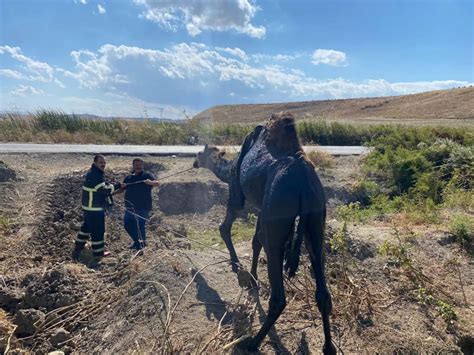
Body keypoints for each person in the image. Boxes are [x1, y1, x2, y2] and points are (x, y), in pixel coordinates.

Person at [72, 154, 123, 262]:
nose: (103, 164)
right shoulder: (95, 174)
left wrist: (111, 185)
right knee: (98, 230)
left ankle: (78, 247)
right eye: (100, 162)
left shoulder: (95, 172)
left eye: (104, 162)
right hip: (94, 208)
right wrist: (117, 186)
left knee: (86, 227)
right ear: (95, 163)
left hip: (89, 207)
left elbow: (101, 186)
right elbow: (103, 190)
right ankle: (98, 253)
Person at [117, 158, 159, 250]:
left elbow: (157, 183)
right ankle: (137, 242)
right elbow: (121, 190)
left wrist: (150, 182)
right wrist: (111, 193)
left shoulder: (147, 175)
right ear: (133, 166)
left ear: (142, 166)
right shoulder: (128, 178)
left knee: (140, 226)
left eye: (140, 165)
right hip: (129, 207)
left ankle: (142, 245)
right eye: (136, 165)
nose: (138, 166)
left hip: (143, 207)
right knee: (127, 225)